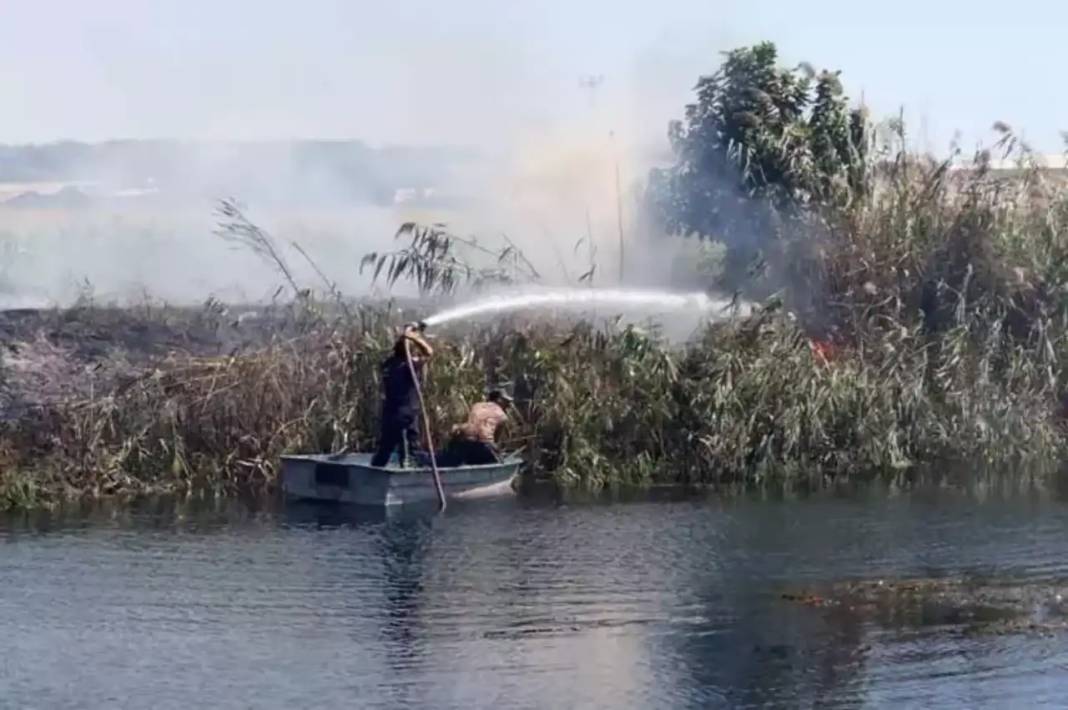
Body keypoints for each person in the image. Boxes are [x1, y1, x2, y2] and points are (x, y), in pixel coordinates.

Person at [370, 322, 434, 467]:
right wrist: (414, 338)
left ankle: (373, 473)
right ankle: (410, 475)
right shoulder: (409, 365)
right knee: (411, 450)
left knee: (385, 449)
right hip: (407, 413)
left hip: (390, 413)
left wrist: (408, 337)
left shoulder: (388, 364)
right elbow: (429, 352)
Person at [442, 388, 512, 465]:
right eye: (506, 402)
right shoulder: (502, 416)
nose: (509, 405)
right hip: (484, 448)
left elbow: (468, 424)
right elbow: (495, 440)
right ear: (499, 400)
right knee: (495, 454)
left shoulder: (476, 406)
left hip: (465, 445)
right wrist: (498, 451)